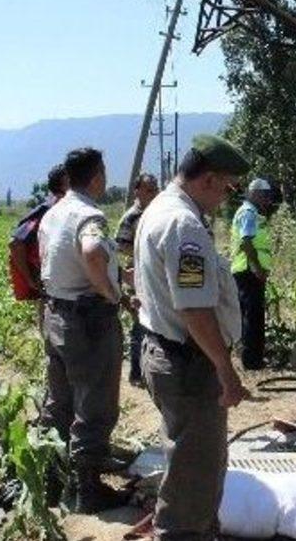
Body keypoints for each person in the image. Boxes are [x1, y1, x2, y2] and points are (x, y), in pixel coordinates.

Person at [134, 135, 249, 541]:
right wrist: (225, 369)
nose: (225, 198)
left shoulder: (159, 207)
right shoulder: (184, 226)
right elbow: (195, 309)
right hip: (189, 363)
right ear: (209, 179)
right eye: (227, 188)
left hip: (166, 350)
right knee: (195, 472)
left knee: (190, 461)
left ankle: (198, 529)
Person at [37, 147, 128, 513]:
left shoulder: (53, 213)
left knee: (59, 400)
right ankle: (88, 489)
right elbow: (91, 252)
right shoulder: (90, 215)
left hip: (56, 313)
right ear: (97, 177)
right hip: (88, 319)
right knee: (95, 402)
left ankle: (52, 478)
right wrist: (111, 293)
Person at [115, 173, 160, 385]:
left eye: (155, 189)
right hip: (137, 276)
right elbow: (120, 244)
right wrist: (143, 251)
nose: (154, 193)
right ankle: (135, 372)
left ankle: (148, 368)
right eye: (149, 189)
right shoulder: (131, 216)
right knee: (139, 323)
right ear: (137, 191)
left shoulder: (158, 212)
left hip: (154, 275)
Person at [229, 177, 277, 370]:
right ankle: (252, 360)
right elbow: (246, 242)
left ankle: (252, 357)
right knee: (252, 316)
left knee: (251, 315)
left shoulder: (252, 212)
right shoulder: (248, 213)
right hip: (249, 271)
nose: (267, 200)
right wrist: (257, 268)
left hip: (249, 271)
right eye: (264, 196)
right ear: (255, 194)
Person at [8, 164, 68, 300]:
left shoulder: (71, 210)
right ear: (64, 184)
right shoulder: (46, 211)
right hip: (52, 284)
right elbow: (15, 244)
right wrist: (30, 280)